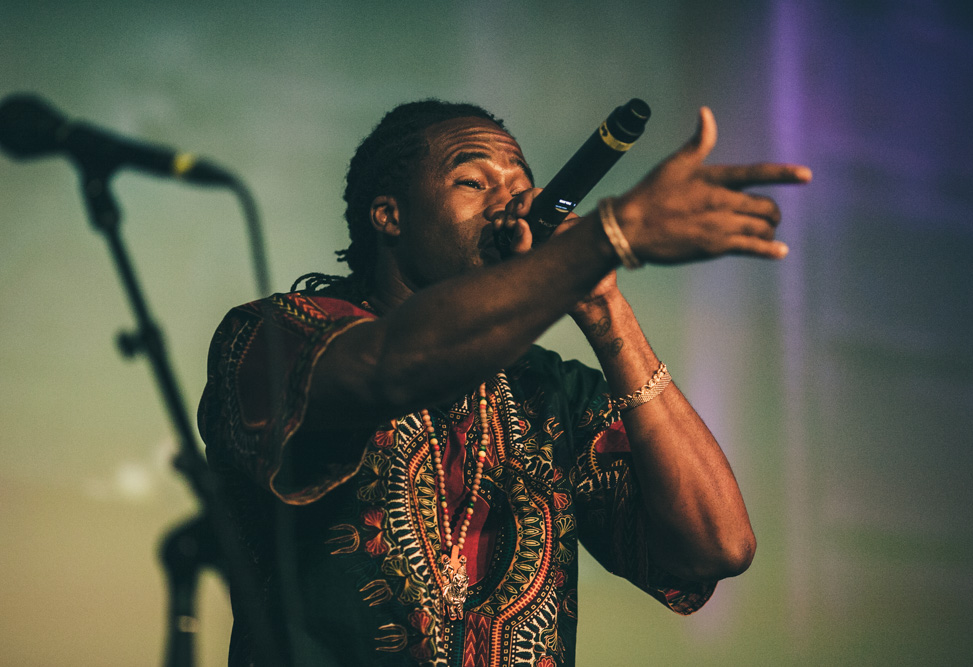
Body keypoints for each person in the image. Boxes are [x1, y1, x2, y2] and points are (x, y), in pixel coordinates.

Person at [197, 99, 811, 666]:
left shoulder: (551, 392)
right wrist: (608, 235)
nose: (510, 201)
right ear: (389, 216)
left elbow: (717, 547)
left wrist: (602, 307)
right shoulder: (282, 333)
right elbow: (393, 367)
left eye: (521, 185)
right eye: (473, 181)